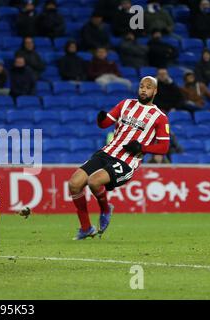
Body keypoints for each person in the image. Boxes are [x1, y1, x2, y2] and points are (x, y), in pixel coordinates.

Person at [68, 76, 170, 240]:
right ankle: (86, 228)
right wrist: (100, 118)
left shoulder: (159, 117)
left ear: (155, 91)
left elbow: (164, 147)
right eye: (141, 86)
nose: (143, 89)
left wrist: (141, 148)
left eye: (148, 87)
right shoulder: (126, 104)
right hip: (107, 152)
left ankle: (105, 209)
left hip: (126, 161)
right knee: (74, 184)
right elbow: (105, 124)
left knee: (94, 181)